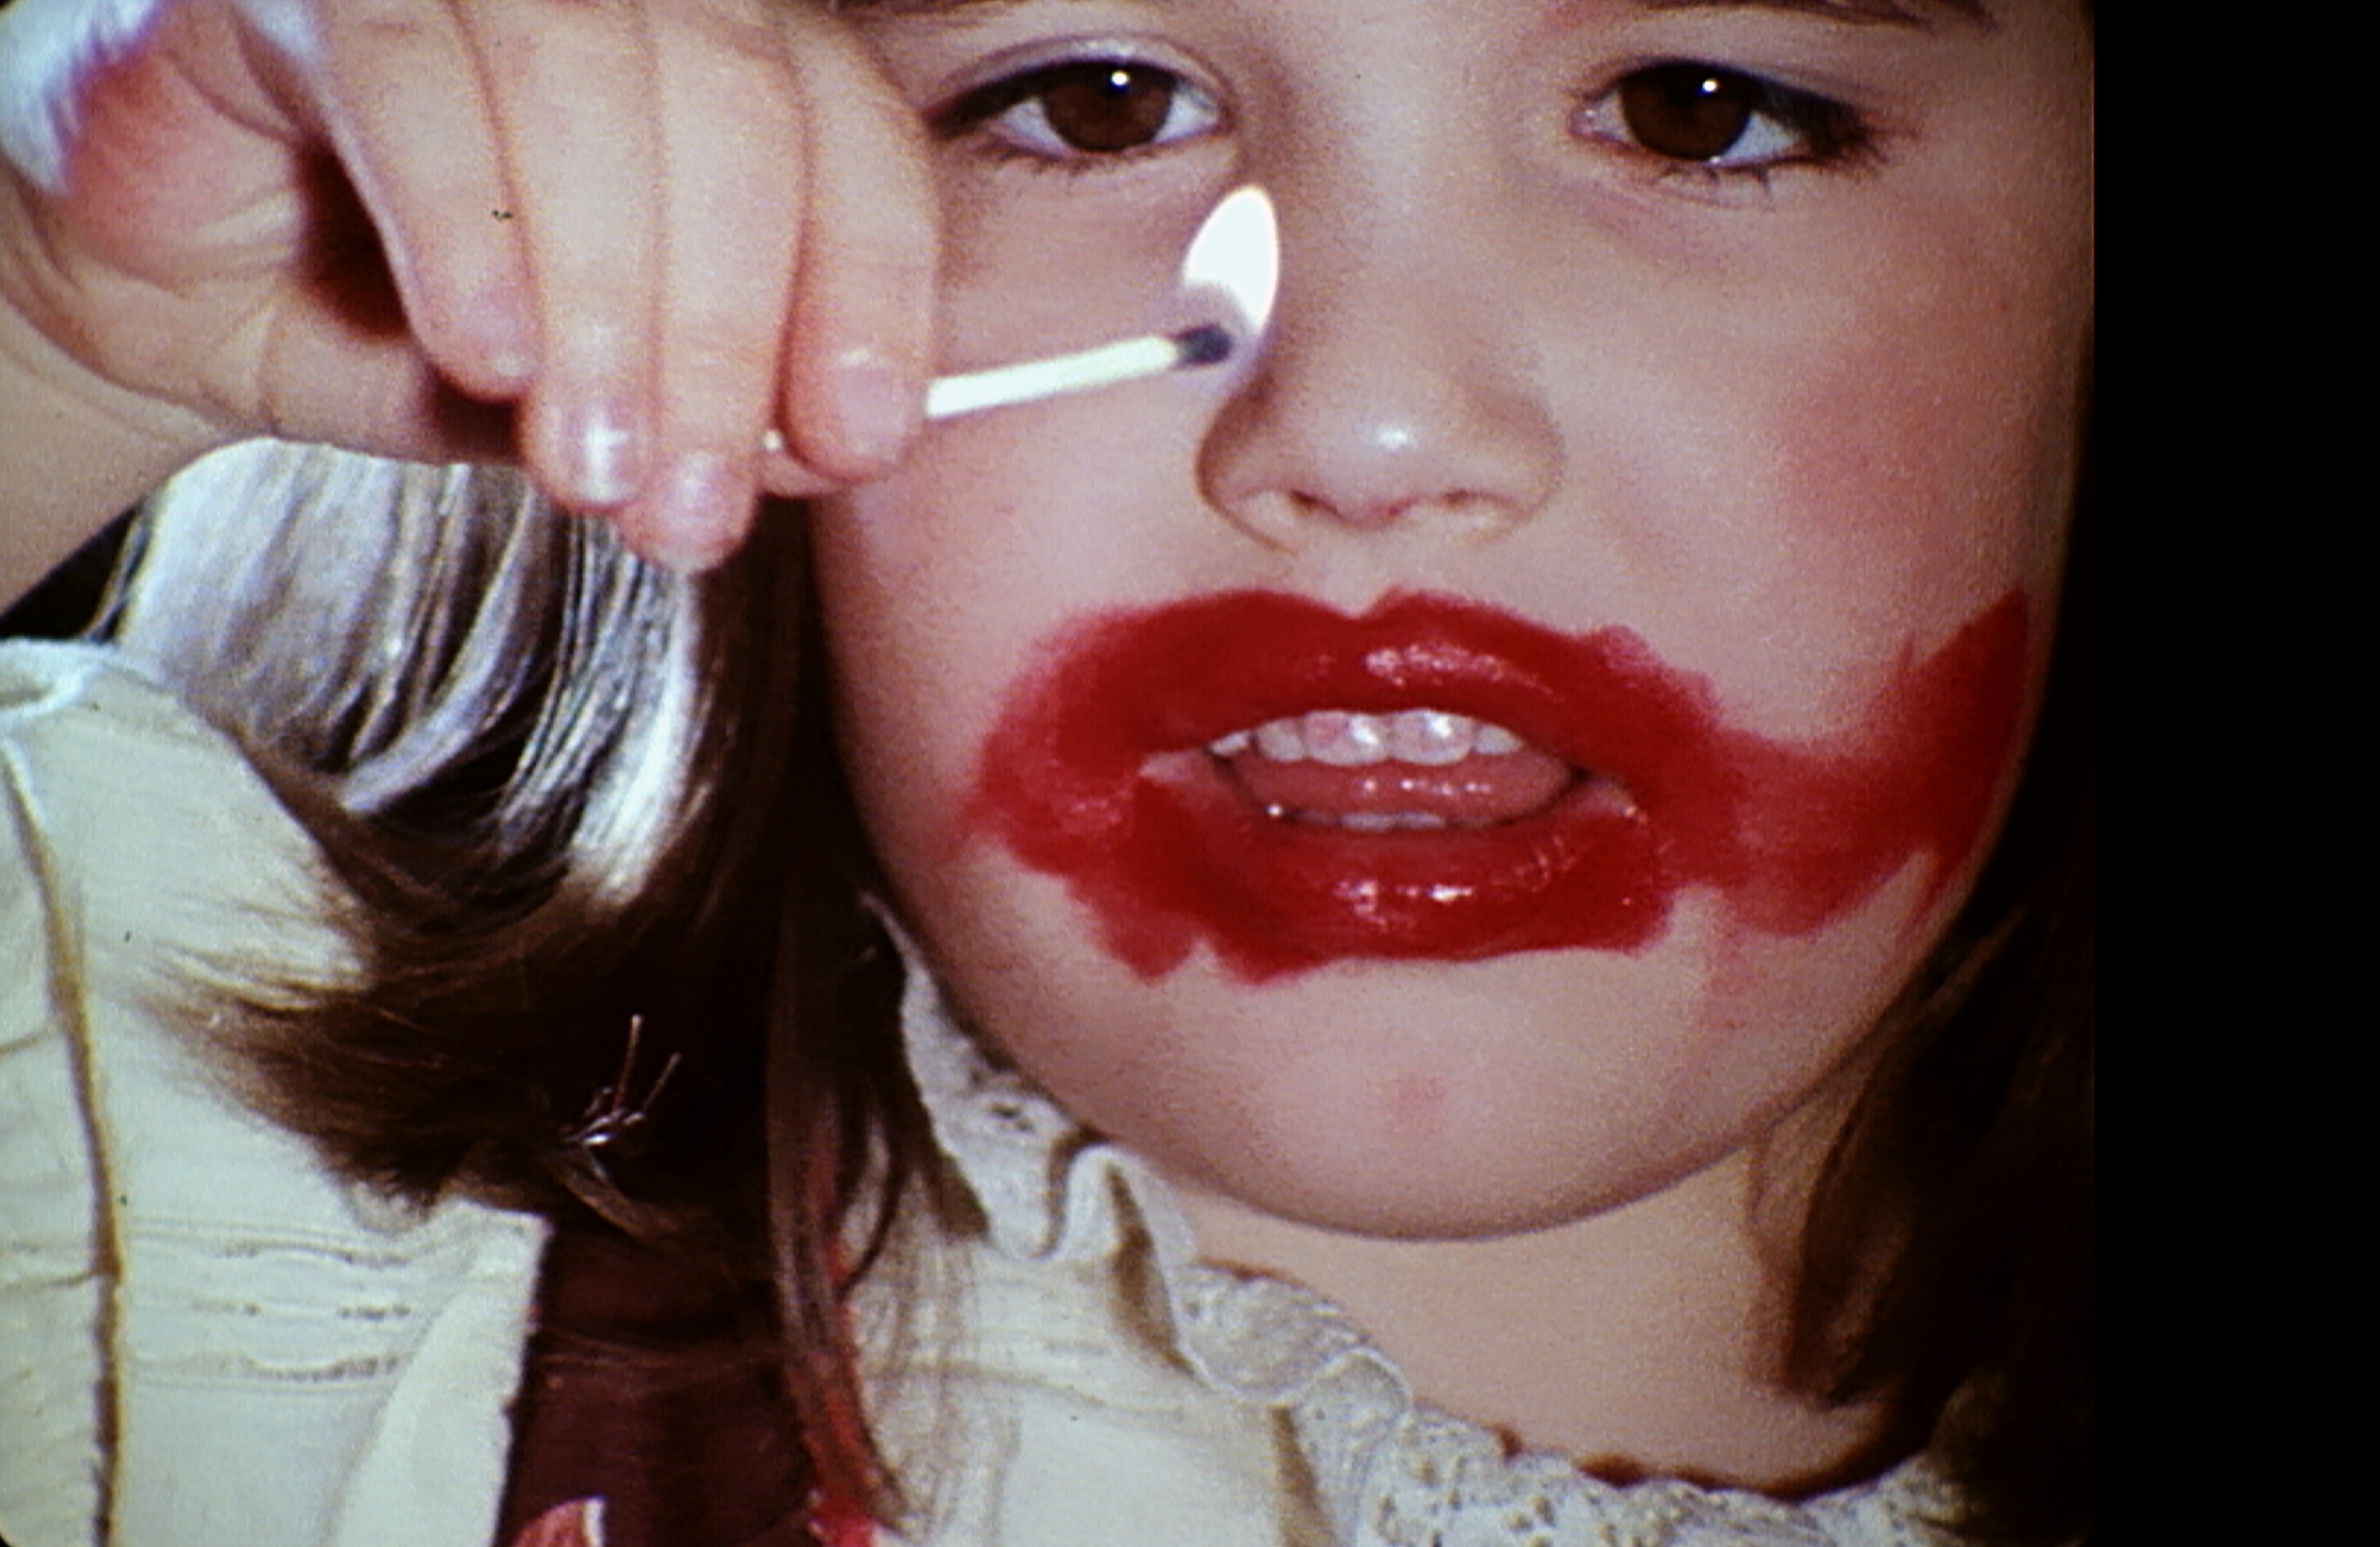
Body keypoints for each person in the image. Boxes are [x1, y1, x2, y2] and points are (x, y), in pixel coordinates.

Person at [0, 1, 2096, 1544]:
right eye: (1094, 104)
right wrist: (46, 333)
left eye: (1696, 112)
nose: (1369, 429)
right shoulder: (136, 1134)